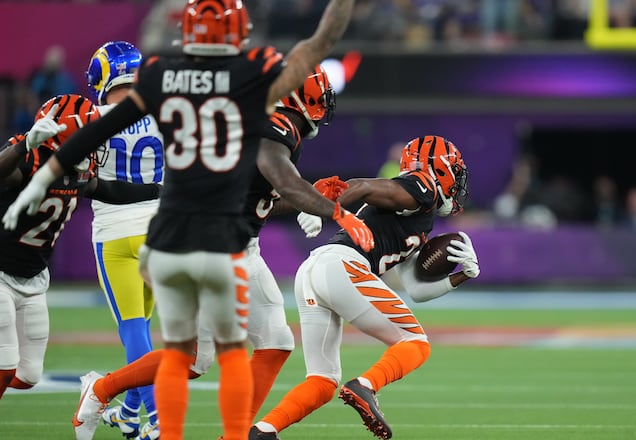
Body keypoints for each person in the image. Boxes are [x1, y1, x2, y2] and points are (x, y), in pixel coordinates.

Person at [2, 2, 369, 440]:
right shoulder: (253, 79)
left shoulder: (162, 75)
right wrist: (327, 208)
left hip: (182, 227)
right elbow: (314, 51)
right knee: (207, 355)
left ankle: (120, 398)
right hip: (210, 235)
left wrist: (40, 168)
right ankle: (114, 396)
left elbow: (105, 122)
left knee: (242, 347)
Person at [69, 65, 341, 440]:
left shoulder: (267, 125)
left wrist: (304, 202)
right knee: (197, 358)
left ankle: (231, 434)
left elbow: (262, 195)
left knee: (275, 343)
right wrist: (320, 206)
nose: (322, 109)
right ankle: (101, 390)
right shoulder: (273, 127)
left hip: (238, 246)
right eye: (317, 99)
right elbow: (280, 181)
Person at [249, 135, 479, 440]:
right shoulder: (421, 186)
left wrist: (461, 276)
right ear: (441, 169)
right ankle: (365, 386)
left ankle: (262, 432)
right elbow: (363, 185)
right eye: (456, 172)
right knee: (416, 343)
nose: (458, 183)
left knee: (323, 381)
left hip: (316, 270)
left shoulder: (421, 217)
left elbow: (416, 289)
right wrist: (320, 206)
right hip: (343, 267)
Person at [0, 95, 161, 400]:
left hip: (34, 277)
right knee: (5, 366)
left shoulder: (81, 169)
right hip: (1, 272)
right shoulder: (31, 159)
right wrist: (22, 144)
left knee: (28, 375)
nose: (95, 142)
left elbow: (110, 190)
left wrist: (160, 191)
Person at [83, 40, 165, 440]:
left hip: (115, 233)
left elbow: (78, 176)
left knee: (134, 331)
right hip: (160, 231)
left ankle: (158, 417)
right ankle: (131, 413)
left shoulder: (91, 118)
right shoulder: (164, 114)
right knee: (147, 329)